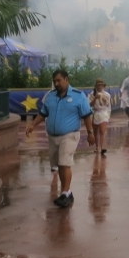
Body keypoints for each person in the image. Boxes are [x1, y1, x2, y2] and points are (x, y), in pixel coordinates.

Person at [26, 68, 95, 208]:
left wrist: (90, 133)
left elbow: (87, 115)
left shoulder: (78, 96)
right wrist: (33, 124)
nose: (56, 83)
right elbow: (43, 113)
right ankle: (66, 193)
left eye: (59, 80)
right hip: (53, 137)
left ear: (66, 79)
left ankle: (65, 192)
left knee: (64, 163)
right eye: (54, 81)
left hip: (69, 135)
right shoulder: (50, 96)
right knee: (58, 165)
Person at [88, 79, 112, 155]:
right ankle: (97, 147)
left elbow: (108, 105)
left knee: (102, 131)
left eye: (101, 85)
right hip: (95, 113)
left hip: (103, 113)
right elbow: (90, 105)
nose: (99, 86)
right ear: (96, 86)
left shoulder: (107, 94)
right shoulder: (92, 94)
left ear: (103, 86)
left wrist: (104, 99)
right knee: (95, 132)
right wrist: (95, 98)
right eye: (98, 85)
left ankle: (103, 147)